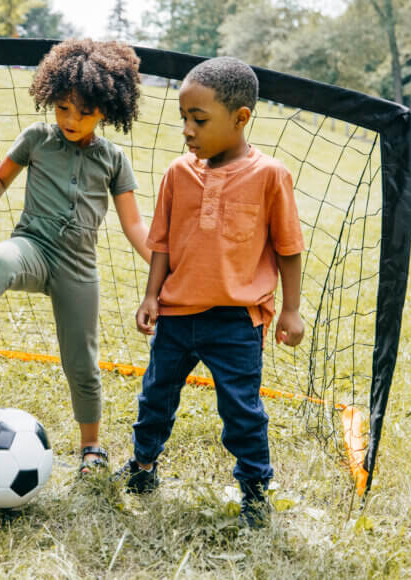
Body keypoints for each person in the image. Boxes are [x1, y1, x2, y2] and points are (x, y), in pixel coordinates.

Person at [0, 39, 151, 475]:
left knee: (82, 360)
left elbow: (133, 225)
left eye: (84, 111)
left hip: (78, 265)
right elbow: (0, 177)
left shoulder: (114, 159)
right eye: (62, 108)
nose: (71, 120)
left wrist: (161, 267)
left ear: (108, 110)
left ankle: (91, 445)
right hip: (31, 247)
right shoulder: (38, 137)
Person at [115, 57, 305, 528]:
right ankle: (142, 467)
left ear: (241, 118)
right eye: (184, 118)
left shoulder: (270, 175)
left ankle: (256, 493)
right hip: (177, 316)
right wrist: (150, 296)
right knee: (155, 397)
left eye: (199, 120)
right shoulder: (178, 174)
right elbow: (160, 244)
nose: (187, 130)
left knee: (242, 412)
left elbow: (289, 249)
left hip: (237, 322)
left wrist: (292, 311)